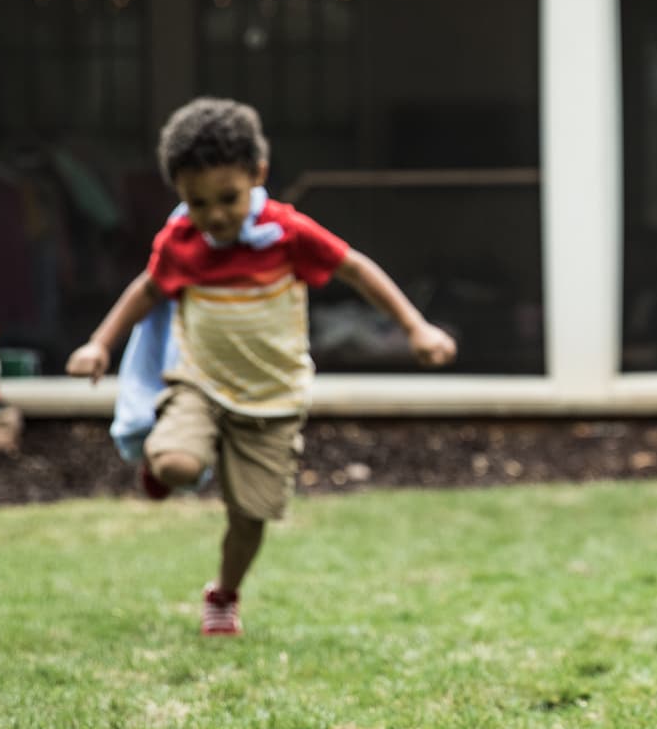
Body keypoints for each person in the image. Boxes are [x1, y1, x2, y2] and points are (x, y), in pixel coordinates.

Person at [66, 98, 456, 636]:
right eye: (197, 203)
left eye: (227, 198)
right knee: (178, 466)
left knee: (249, 516)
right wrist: (99, 344)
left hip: (273, 399)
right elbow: (148, 290)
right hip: (200, 383)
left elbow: (357, 270)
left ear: (258, 175)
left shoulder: (288, 234)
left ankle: (223, 594)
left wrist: (416, 328)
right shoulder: (182, 241)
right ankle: (164, 464)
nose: (216, 216)